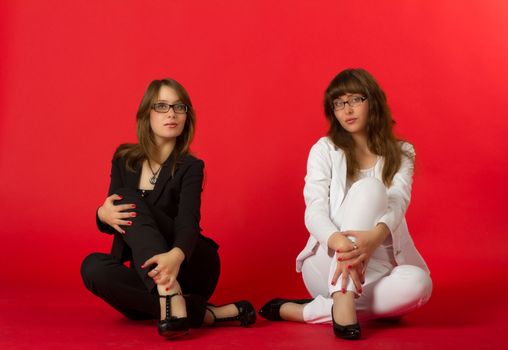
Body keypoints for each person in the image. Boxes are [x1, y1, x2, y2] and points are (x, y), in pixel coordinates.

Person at [259, 68, 432, 340]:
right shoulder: (324, 149)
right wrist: (338, 241)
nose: (347, 110)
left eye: (355, 100)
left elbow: (399, 201)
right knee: (372, 188)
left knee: (420, 284)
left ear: (372, 101)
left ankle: (309, 311)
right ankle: (341, 295)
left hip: (379, 264)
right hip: (328, 262)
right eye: (338, 104)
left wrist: (374, 238)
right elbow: (314, 209)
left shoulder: (402, 152)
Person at [81, 78, 256, 338]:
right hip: (149, 275)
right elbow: (116, 214)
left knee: (127, 196)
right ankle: (195, 310)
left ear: (187, 116)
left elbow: (188, 222)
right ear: (146, 114)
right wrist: (101, 214)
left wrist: (174, 257)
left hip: (189, 263)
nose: (171, 113)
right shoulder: (123, 159)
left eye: (179, 107)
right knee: (92, 267)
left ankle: (171, 294)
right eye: (161, 106)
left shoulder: (190, 167)